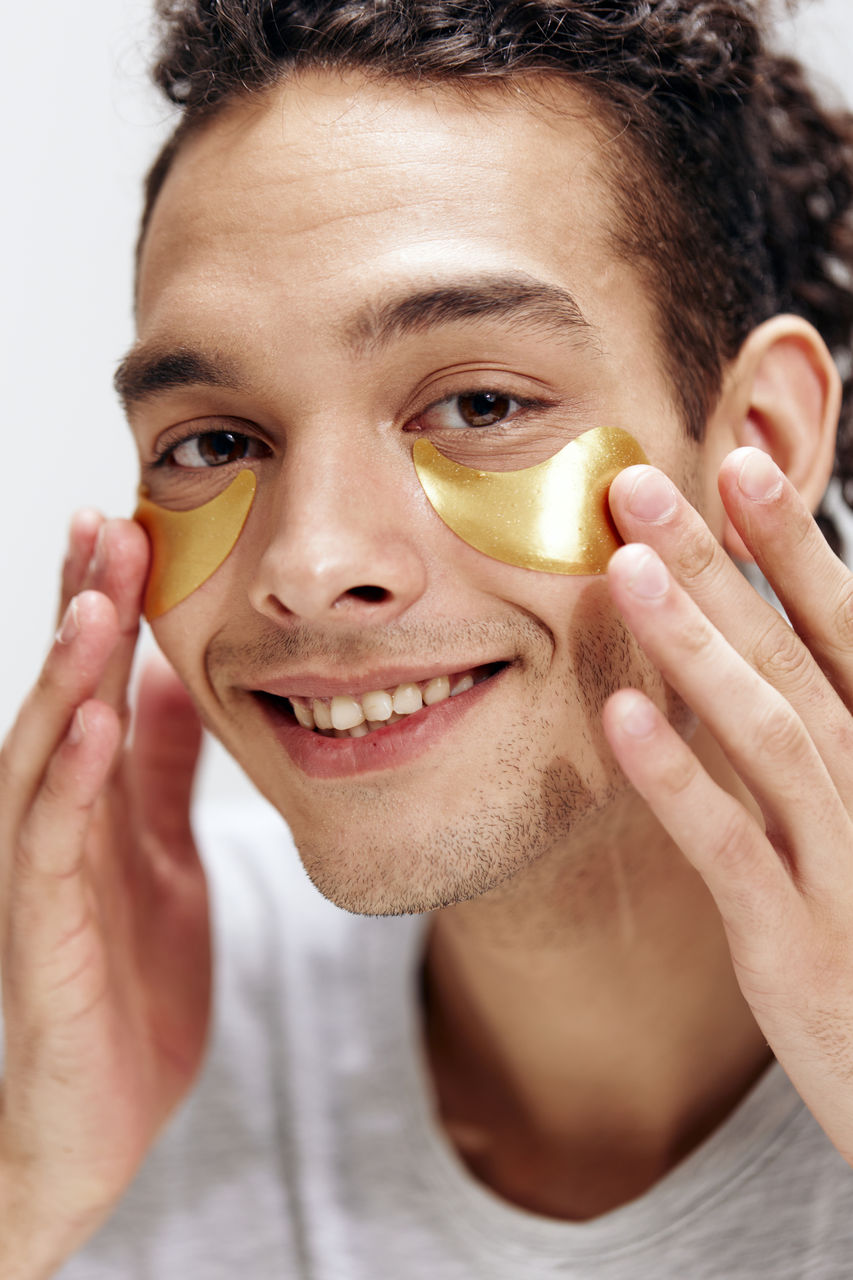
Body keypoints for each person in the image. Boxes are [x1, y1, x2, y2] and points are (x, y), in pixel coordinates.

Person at [3, 0, 853, 1275]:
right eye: (213, 443)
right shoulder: (88, 1018)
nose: (309, 565)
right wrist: (28, 1186)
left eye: (477, 402)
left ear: (761, 449)